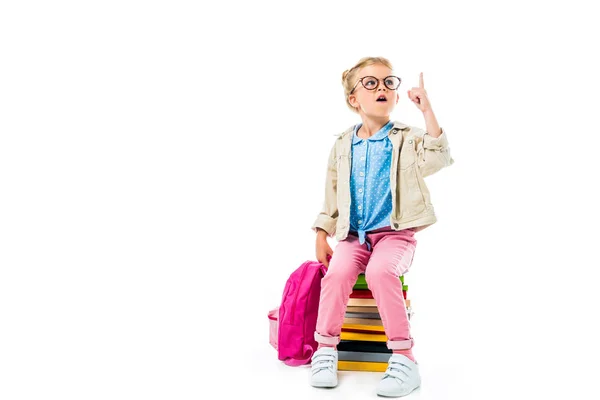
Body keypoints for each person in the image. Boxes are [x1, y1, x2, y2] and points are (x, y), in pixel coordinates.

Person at [309, 56, 454, 397]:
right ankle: (325, 349)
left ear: (396, 94)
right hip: (353, 236)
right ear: (354, 99)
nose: (382, 88)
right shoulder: (343, 144)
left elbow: (439, 157)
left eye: (389, 82)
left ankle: (404, 358)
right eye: (371, 83)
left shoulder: (406, 137)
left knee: (380, 274)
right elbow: (332, 191)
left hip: (395, 234)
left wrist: (427, 111)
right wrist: (321, 232)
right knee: (337, 274)